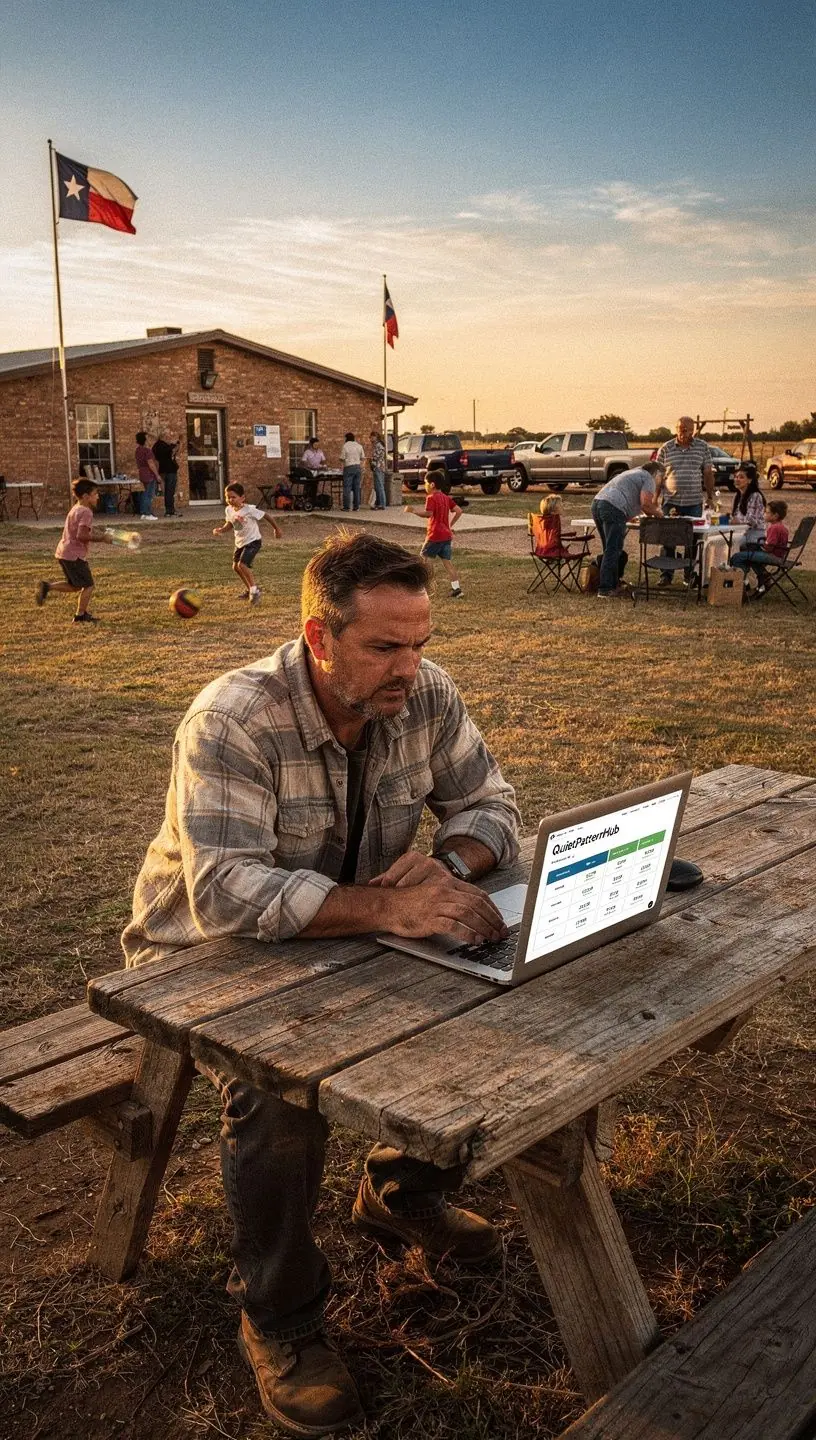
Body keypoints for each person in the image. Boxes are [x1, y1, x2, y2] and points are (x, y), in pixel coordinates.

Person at [122, 531, 520, 1436]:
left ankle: (399, 1188)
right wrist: (387, 912)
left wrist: (447, 862)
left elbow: (494, 806)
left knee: (489, 989)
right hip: (208, 955)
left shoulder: (426, 695)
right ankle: (283, 1317)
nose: (410, 668)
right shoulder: (232, 717)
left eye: (421, 641)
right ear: (318, 635)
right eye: (386, 646)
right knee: (279, 1094)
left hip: (348, 933)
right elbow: (223, 892)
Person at [35, 476, 113, 621]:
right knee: (88, 585)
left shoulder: (76, 508)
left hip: (64, 552)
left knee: (75, 586)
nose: (98, 497)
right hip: (74, 555)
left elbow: (81, 530)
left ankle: (47, 587)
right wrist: (102, 538)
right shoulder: (86, 512)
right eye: (95, 494)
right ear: (85, 496)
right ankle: (80, 615)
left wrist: (99, 533)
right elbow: (82, 535)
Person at [590, 462, 664, 597]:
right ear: (657, 474)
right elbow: (646, 505)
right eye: (662, 477)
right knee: (613, 549)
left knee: (609, 548)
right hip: (613, 507)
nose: (661, 481)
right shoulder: (648, 478)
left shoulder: (633, 472)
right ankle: (606, 588)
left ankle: (612, 583)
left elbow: (640, 504)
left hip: (597, 503)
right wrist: (660, 514)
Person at [655, 417, 715, 581]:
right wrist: (654, 498)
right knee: (668, 538)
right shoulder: (666, 448)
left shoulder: (702, 447)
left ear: (693, 430)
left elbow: (708, 472)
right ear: (676, 429)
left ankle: (689, 576)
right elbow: (658, 475)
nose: (684, 433)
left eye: (687, 429)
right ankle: (666, 575)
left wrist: (710, 496)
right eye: (681, 429)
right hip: (670, 501)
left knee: (693, 540)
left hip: (694, 502)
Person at [212, 482, 282, 603]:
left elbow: (266, 516)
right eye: (228, 497)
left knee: (242, 565)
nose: (230, 499)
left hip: (253, 541)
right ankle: (250, 589)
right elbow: (230, 523)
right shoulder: (228, 510)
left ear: (242, 498)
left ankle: (255, 592)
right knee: (236, 567)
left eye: (233, 497)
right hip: (240, 542)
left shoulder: (249, 510)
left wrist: (277, 529)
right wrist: (221, 530)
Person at [403, 459, 464, 598]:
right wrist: (449, 525)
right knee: (447, 563)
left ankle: (422, 589)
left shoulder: (431, 498)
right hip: (446, 536)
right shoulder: (446, 498)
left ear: (432, 484)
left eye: (425, 483)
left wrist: (413, 511)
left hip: (434, 535)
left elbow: (428, 514)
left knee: (423, 561)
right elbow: (459, 511)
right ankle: (457, 589)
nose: (425, 486)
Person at [730, 497, 788, 597]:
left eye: (767, 512)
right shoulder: (780, 526)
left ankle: (742, 585)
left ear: (775, 515)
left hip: (773, 556)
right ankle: (763, 576)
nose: (764, 514)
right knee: (746, 548)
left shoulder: (774, 528)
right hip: (779, 555)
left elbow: (769, 547)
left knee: (737, 557)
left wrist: (762, 544)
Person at [152, 429, 180, 517]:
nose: (169, 437)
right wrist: (177, 445)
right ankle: (170, 511)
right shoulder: (164, 446)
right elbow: (172, 452)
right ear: (164, 436)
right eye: (168, 435)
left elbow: (156, 458)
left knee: (166, 492)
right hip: (170, 471)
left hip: (162, 471)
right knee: (170, 491)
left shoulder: (155, 446)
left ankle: (169, 510)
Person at [134, 431, 160, 520]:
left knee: (145, 492)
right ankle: (146, 513)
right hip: (149, 473)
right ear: (144, 440)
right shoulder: (147, 451)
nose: (149, 440)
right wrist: (157, 475)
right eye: (147, 438)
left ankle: (145, 512)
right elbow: (151, 463)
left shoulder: (138, 450)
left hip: (142, 472)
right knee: (149, 494)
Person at [340, 432, 366, 511]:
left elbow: (342, 458)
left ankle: (346, 507)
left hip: (349, 467)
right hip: (357, 467)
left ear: (346, 438)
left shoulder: (345, 446)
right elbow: (362, 457)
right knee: (356, 488)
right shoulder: (359, 446)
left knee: (347, 488)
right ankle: (356, 506)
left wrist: (342, 460)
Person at [368, 431, 387, 510]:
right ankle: (379, 503)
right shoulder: (378, 445)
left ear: (376, 437)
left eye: (372, 437)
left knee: (379, 486)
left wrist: (370, 460)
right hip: (379, 467)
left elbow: (376, 457)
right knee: (378, 486)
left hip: (378, 467)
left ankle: (382, 504)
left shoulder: (378, 446)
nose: (370, 439)